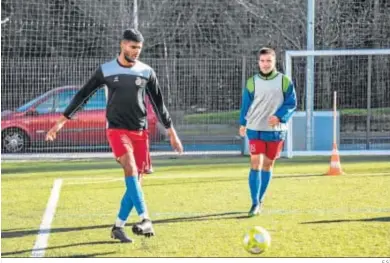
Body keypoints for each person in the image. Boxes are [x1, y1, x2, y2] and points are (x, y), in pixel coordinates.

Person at [46, 29, 183, 242]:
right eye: (132, 47)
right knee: (130, 167)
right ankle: (145, 218)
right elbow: (83, 95)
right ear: (122, 45)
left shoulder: (146, 71)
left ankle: (118, 227)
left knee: (135, 181)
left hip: (140, 132)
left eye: (139, 48)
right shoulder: (106, 70)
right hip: (116, 130)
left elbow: (159, 104)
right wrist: (60, 123)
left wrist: (172, 133)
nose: (136, 51)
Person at [239, 47, 297, 217]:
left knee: (268, 165)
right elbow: (245, 105)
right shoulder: (252, 82)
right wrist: (243, 123)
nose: (265, 64)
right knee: (255, 162)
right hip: (254, 128)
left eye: (268, 61)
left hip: (275, 131)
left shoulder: (284, 81)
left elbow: (292, 103)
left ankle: (261, 198)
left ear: (274, 62)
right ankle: (254, 203)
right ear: (258, 62)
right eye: (262, 61)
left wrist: (279, 117)